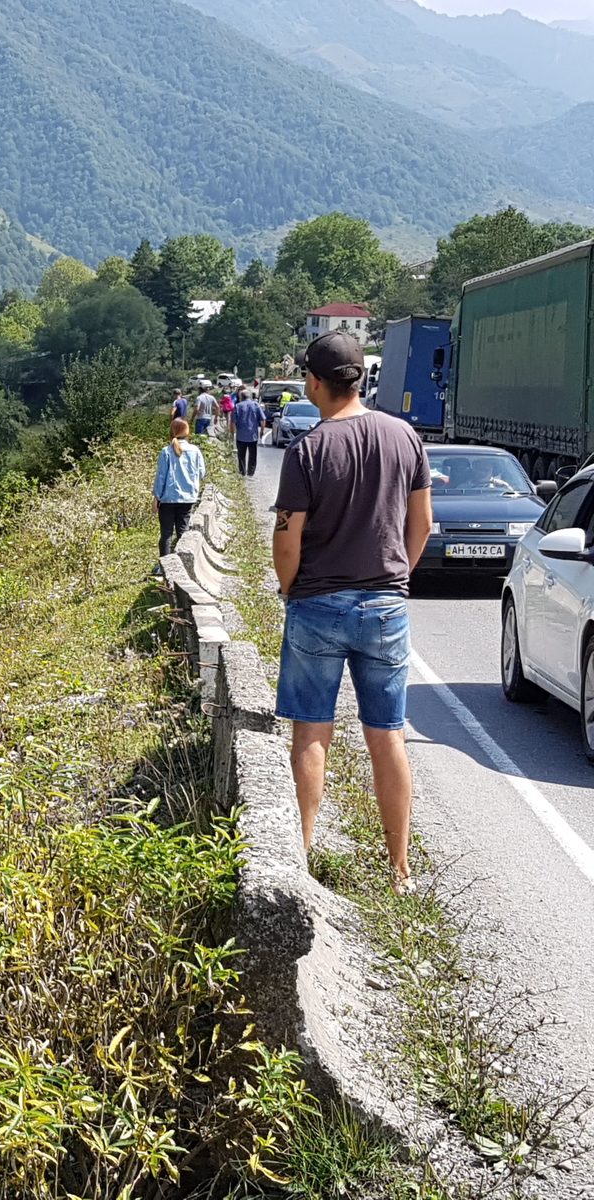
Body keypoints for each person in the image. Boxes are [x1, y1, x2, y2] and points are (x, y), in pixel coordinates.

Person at [272, 332, 433, 895]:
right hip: (387, 606)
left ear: (315, 381)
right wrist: (396, 579)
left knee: (313, 731)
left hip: (317, 603)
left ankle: (302, 854)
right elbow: (422, 526)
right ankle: (399, 869)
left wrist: (292, 590)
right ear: (360, 378)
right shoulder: (405, 437)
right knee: (387, 735)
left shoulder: (308, 450)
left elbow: (287, 539)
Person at [152, 417, 208, 557]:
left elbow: (161, 477)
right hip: (188, 498)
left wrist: (156, 498)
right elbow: (201, 473)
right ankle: (181, 561)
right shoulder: (195, 450)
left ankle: (164, 565)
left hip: (168, 499)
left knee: (166, 534)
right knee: (182, 532)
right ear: (187, 432)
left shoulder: (166, 451)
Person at [232, 390, 266, 477]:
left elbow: (232, 422)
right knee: (253, 455)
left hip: (241, 436)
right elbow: (263, 419)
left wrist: (232, 433)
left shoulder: (237, 406)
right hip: (253, 435)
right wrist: (262, 431)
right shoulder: (256, 405)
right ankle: (251, 472)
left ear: (241, 397)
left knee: (241, 455)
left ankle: (242, 472)